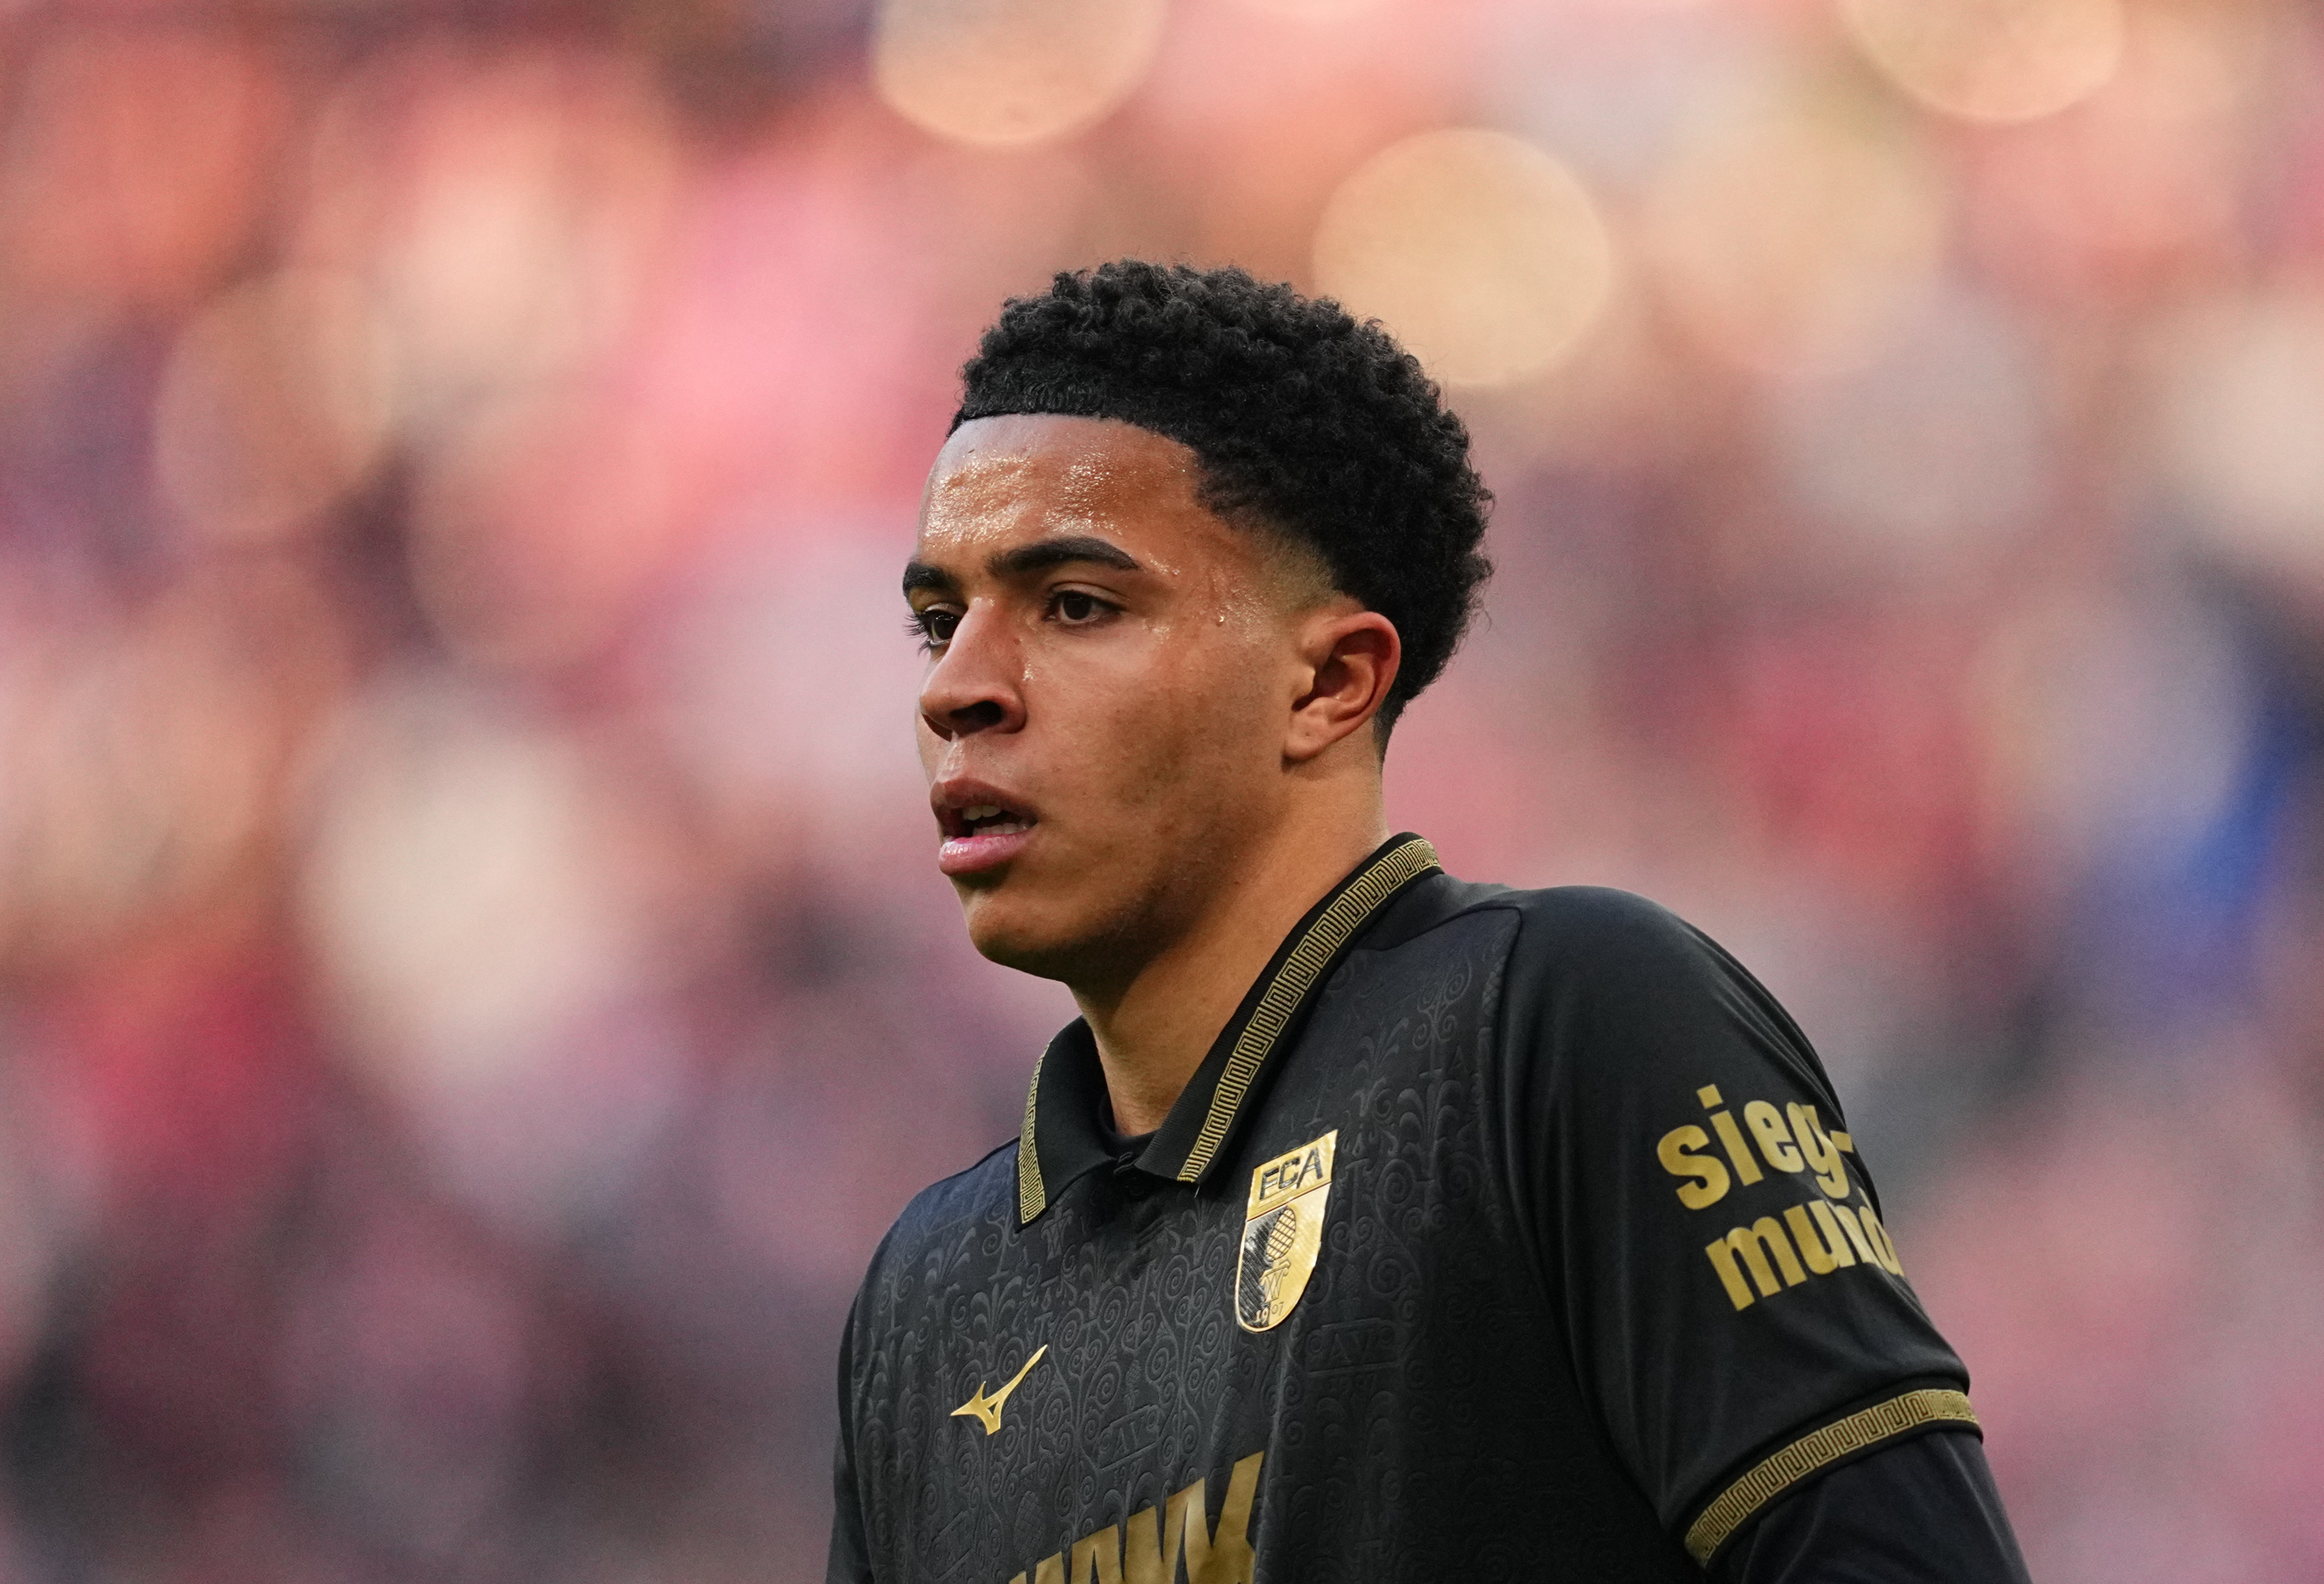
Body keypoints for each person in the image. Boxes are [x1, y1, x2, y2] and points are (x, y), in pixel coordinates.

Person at [828, 260, 2029, 1583]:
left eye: (1075, 605)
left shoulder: (1565, 1024)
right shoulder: (926, 1299)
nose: (959, 687)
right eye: (936, 620)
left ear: (1330, 681)